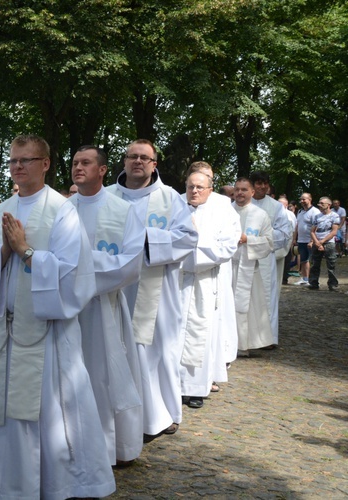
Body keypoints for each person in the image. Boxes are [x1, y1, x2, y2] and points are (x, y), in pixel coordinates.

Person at [0, 134, 115, 499]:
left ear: (46, 164)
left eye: (26, 160)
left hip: (45, 333)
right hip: (3, 331)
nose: (18, 167)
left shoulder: (62, 210)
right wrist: (3, 252)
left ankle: (55, 484)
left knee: (49, 415)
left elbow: (73, 275)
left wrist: (25, 250)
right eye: (13, 161)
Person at [105, 139, 197, 440]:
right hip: (113, 288)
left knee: (158, 348)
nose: (138, 162)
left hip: (156, 288)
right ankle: (118, 415)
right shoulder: (106, 196)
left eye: (145, 158)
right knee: (115, 347)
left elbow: (187, 237)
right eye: (133, 156)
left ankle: (163, 413)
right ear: (124, 161)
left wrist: (143, 239)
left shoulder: (170, 198)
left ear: (154, 164)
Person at [70, 145, 144, 466]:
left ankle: (110, 448)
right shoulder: (61, 208)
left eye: (86, 162)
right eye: (74, 163)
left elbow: (129, 264)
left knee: (102, 376)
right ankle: (72, 445)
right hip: (65, 308)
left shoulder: (123, 210)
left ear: (102, 170)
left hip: (103, 309)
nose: (78, 167)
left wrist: (78, 267)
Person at [179, 166, 240, 409]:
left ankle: (196, 389)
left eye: (199, 187)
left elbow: (228, 245)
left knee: (200, 334)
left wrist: (191, 251)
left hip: (204, 281)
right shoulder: (176, 207)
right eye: (190, 187)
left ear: (210, 189)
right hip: (176, 283)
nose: (194, 191)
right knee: (175, 336)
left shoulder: (222, 210)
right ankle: (174, 386)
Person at [231, 178, 274, 354]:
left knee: (249, 307)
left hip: (250, 268)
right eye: (237, 189)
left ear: (252, 192)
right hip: (227, 267)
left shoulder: (260, 215)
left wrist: (248, 239)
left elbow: (270, 242)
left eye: (244, 190)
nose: (240, 193)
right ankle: (227, 345)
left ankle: (246, 345)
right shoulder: (225, 211)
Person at [249, 171, 293, 346]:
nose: (262, 186)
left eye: (265, 183)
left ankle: (269, 338)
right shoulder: (241, 203)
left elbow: (284, 233)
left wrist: (261, 236)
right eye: (258, 183)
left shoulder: (276, 207)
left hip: (266, 258)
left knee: (268, 296)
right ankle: (247, 338)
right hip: (245, 257)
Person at [308, 197, 340, 291]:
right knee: (314, 264)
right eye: (319, 203)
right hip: (317, 242)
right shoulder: (317, 216)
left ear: (328, 205)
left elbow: (334, 232)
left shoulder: (335, 216)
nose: (320, 205)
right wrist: (316, 242)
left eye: (322, 203)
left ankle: (332, 284)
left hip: (329, 243)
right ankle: (313, 283)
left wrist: (322, 242)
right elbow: (312, 231)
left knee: (331, 264)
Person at [295, 193, 319, 286]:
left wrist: (312, 241)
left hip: (310, 240)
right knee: (303, 260)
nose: (302, 201)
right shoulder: (300, 211)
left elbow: (316, 227)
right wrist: (295, 239)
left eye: (304, 199)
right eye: (301, 199)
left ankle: (310, 279)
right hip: (301, 240)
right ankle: (305, 279)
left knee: (309, 260)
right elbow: (297, 226)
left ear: (310, 199)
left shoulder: (315, 212)